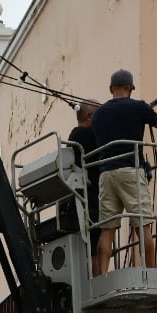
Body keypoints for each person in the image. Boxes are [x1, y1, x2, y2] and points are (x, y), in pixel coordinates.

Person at [90, 69, 157, 273]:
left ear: (111, 89)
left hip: (106, 174)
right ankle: (153, 274)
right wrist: (148, 114)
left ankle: (102, 275)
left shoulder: (98, 114)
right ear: (131, 88)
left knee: (107, 230)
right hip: (131, 171)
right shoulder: (138, 107)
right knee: (143, 226)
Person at [67, 103, 102, 263]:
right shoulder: (86, 135)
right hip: (91, 196)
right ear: (89, 116)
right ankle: (99, 279)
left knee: (92, 244)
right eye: (99, 116)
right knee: (95, 244)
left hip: (82, 196)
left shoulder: (74, 137)